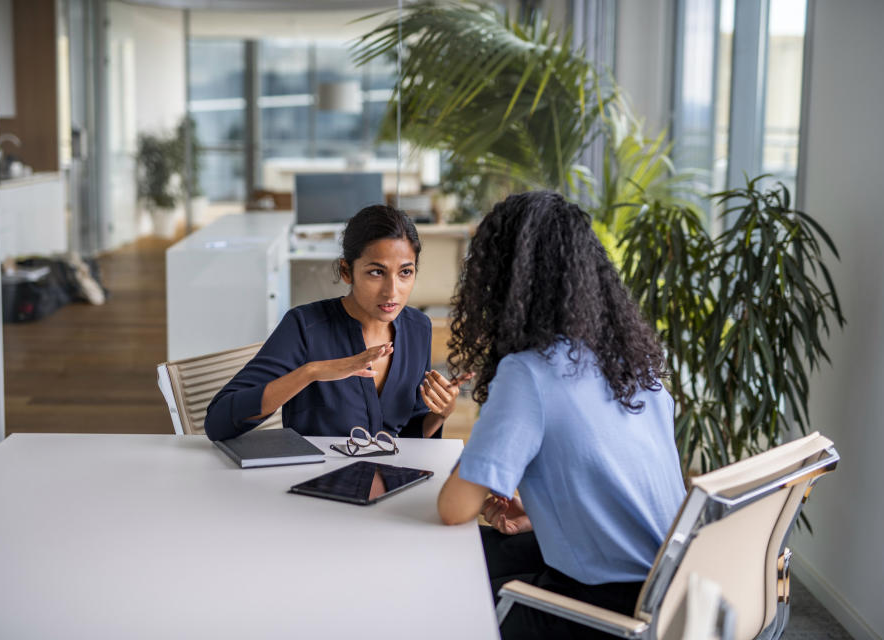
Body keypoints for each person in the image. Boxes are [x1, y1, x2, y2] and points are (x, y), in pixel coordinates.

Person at [436, 191, 686, 639]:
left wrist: (478, 462)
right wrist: (541, 510)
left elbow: (455, 508)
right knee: (487, 553)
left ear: (502, 281)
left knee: (439, 588)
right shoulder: (634, 361)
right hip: (669, 591)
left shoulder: (530, 372)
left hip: (602, 613)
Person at [204, 204, 471, 442]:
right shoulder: (305, 327)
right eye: (376, 272)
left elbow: (408, 438)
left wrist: (441, 414)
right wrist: (311, 372)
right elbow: (217, 423)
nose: (392, 291)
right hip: (312, 485)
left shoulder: (418, 329)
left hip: (387, 484)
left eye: (405, 272)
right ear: (346, 271)